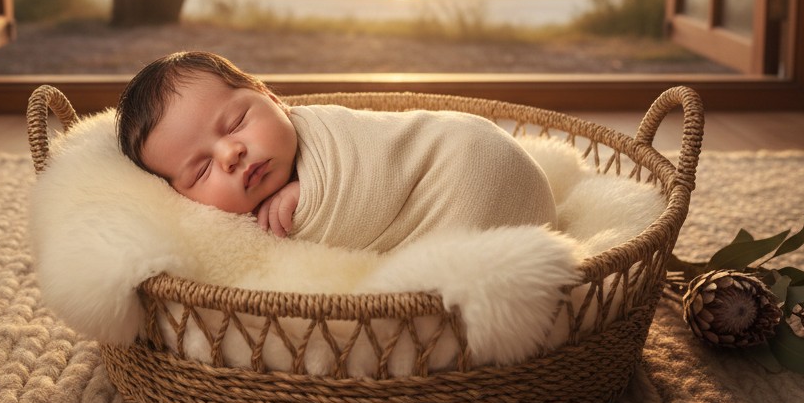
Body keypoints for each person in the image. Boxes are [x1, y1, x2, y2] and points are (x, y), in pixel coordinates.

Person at [116, 50, 557, 251]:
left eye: (235, 123)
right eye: (200, 171)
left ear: (270, 98)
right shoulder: (220, 234)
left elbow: (383, 160)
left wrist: (307, 196)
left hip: (472, 159)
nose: (230, 154)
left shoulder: (328, 132)